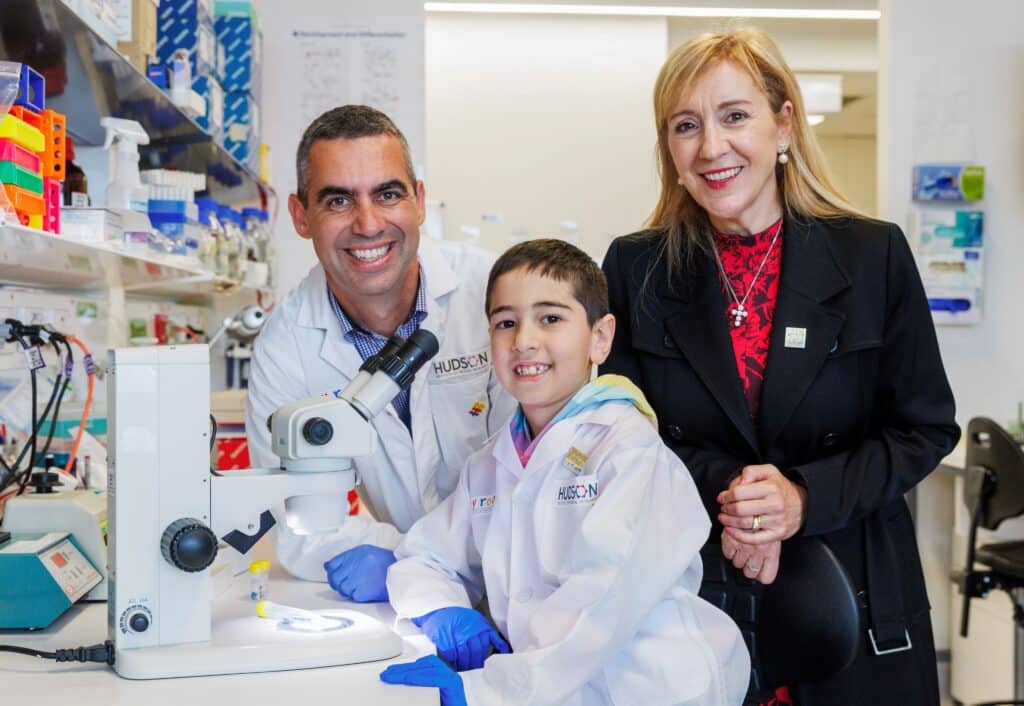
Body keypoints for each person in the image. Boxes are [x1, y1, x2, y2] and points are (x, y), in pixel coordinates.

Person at [600, 28, 959, 706]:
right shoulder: (636, 268)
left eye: (734, 116)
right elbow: (621, 435)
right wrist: (742, 501)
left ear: (783, 123)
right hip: (697, 599)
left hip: (855, 598)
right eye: (686, 125)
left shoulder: (870, 257)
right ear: (669, 151)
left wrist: (801, 498)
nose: (712, 147)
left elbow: (925, 430)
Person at [379, 239, 750, 706]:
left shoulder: (628, 452)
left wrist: (487, 690)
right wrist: (440, 608)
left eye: (550, 318)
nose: (524, 340)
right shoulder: (492, 461)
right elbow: (425, 557)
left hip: (652, 689)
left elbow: (598, 609)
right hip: (548, 689)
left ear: (601, 337)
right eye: (505, 322)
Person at [245, 105, 515, 602]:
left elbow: (540, 470)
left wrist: (418, 561)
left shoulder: (494, 294)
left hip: (526, 578)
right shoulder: (286, 346)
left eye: (388, 194)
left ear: (419, 201)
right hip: (411, 596)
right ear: (301, 217)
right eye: (338, 201)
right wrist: (419, 568)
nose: (368, 224)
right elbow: (300, 526)